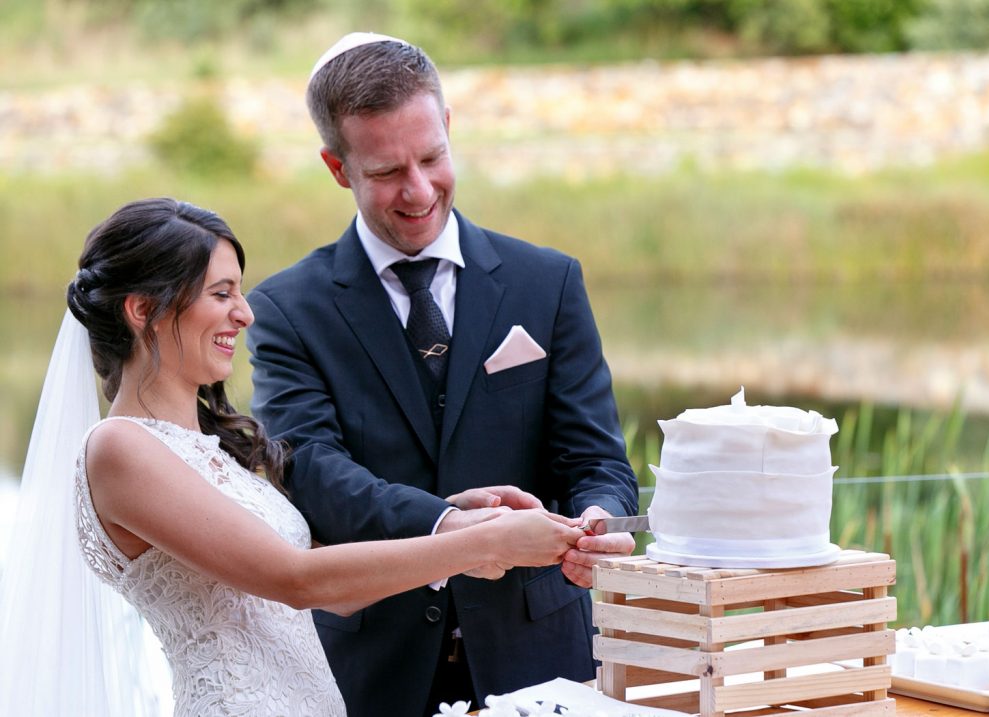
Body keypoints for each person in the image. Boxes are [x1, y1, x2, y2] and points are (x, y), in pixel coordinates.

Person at [0, 197, 584, 717]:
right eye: (221, 293)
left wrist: (457, 517)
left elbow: (337, 582)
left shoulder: (206, 451)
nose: (245, 313)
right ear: (142, 309)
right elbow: (294, 580)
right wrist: (485, 543)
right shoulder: (120, 447)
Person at [246, 32, 640, 716]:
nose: (419, 190)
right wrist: (458, 531)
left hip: (543, 662)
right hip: (373, 674)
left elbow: (596, 456)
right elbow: (314, 474)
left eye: (431, 157)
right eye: (387, 171)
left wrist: (598, 515)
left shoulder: (547, 282)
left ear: (449, 127)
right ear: (338, 168)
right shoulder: (285, 311)